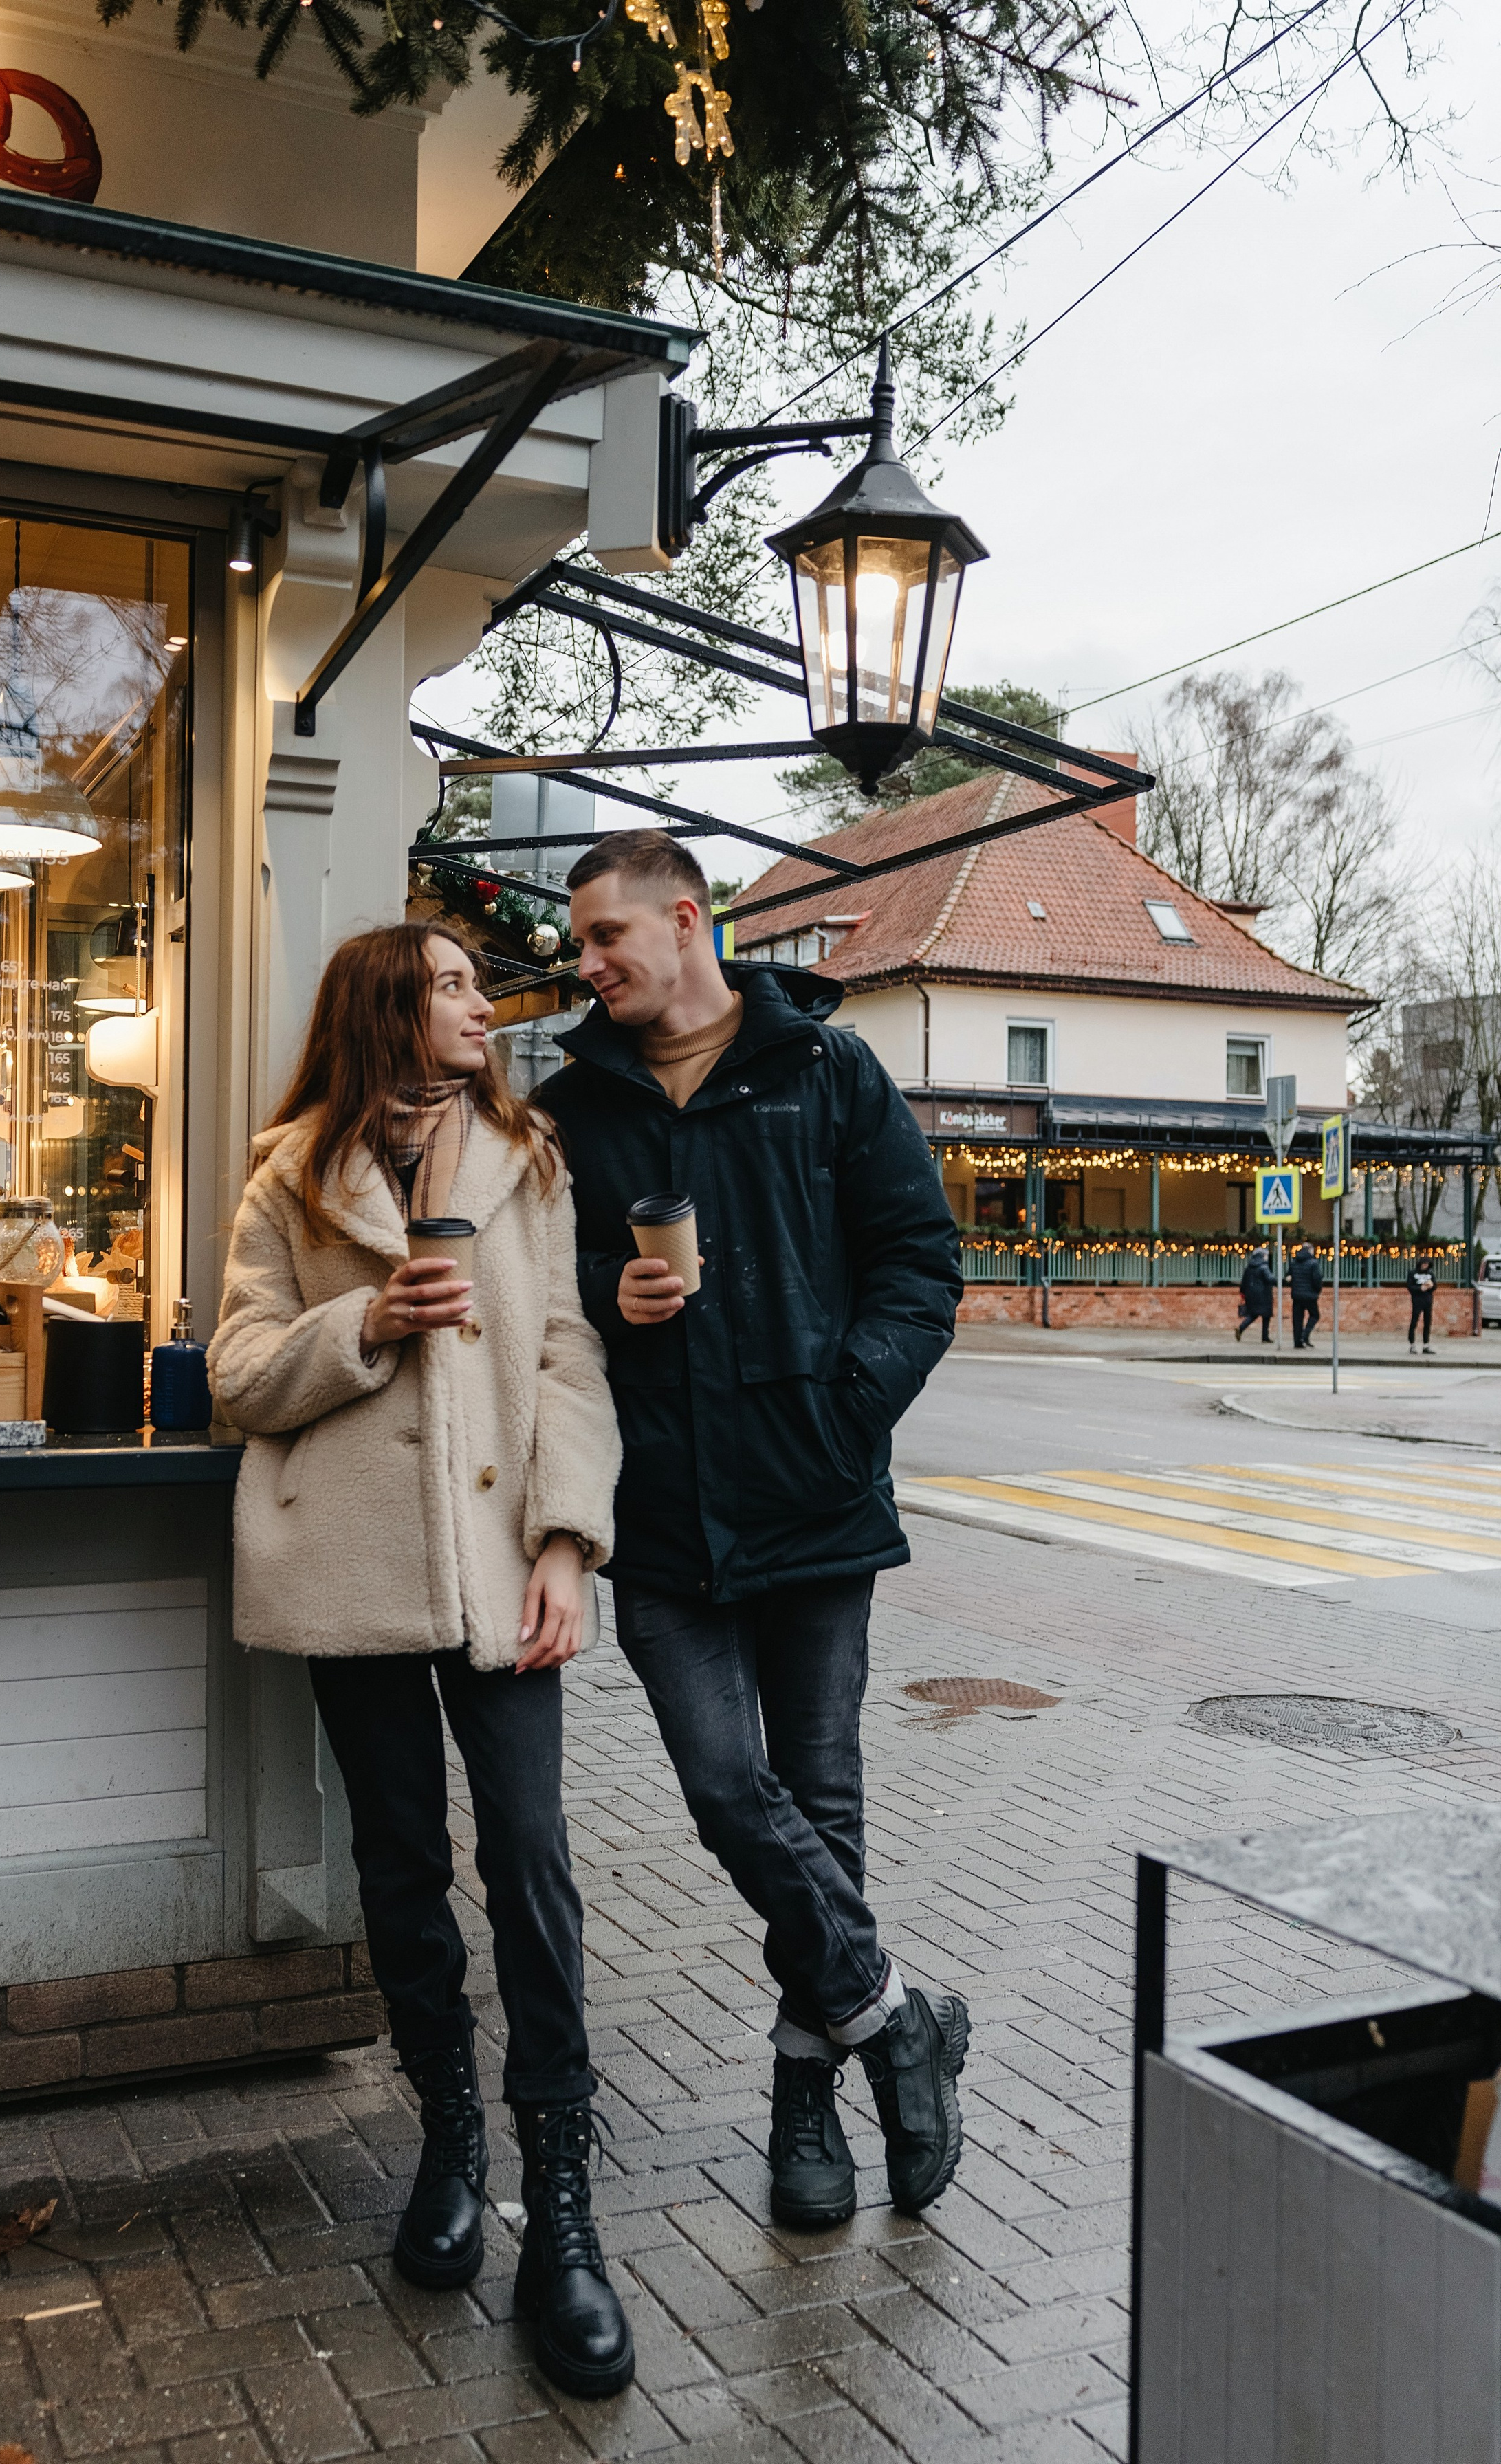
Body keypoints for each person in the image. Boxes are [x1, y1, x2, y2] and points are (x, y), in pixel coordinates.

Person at [207, 924, 634, 2400]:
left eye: (474, 985)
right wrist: (367, 1321)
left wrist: (568, 1542)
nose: (476, 1004)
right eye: (451, 985)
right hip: (356, 1571)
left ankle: (562, 2214)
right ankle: (449, 2145)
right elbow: (236, 1373)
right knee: (398, 1859)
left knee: (528, 1857)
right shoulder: (291, 1177)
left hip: (506, 1568)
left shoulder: (529, 1157)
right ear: (390, 1008)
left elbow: (568, 1354)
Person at [536, 829, 968, 2234]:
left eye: (604, 936)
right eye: (579, 944)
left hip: (814, 1498)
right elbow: (539, 1286)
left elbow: (917, 1262)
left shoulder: (823, 1071)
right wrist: (611, 1288)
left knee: (821, 1804)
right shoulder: (572, 1107)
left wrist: (847, 1409)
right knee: (731, 1791)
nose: (584, 963)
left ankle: (804, 2097)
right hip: (658, 1511)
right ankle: (899, 2016)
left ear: (684, 918)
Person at [1287, 1240, 1324, 1350]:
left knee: (1297, 1319)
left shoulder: (1294, 1263)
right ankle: (1305, 1336)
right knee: (1315, 1315)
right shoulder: (1314, 1263)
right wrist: (1317, 1291)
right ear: (1310, 1250)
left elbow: (1289, 1277)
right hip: (1310, 1296)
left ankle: (1298, 1342)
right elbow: (1317, 1280)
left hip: (1297, 1295)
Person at [1234, 1246, 1273, 1344]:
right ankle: (1265, 1337)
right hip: (1264, 1295)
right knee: (1266, 1316)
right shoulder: (1264, 1267)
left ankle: (1241, 1328)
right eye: (1265, 1255)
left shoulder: (1249, 1267)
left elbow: (1244, 1282)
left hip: (1251, 1295)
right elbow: (1270, 1279)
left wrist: (1243, 1294)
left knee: (1253, 1314)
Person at [1407, 1252, 1436, 1354]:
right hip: (1417, 1301)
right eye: (1424, 1264)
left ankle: (1426, 1345)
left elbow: (1435, 1287)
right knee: (1414, 1322)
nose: (1425, 1266)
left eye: (1427, 1264)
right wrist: (1421, 1288)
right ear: (1420, 1264)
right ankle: (1412, 1345)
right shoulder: (1413, 1274)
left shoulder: (1430, 1274)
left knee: (1427, 1323)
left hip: (1428, 1301)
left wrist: (1431, 1286)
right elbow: (1410, 1287)